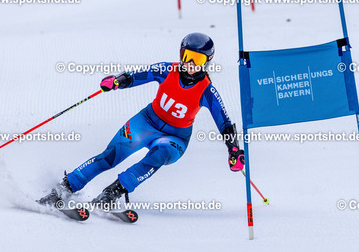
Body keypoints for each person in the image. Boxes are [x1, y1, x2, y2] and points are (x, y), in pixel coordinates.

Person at [39, 33, 244, 208]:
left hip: (175, 138)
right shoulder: (167, 70)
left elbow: (224, 122)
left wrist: (233, 149)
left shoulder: (207, 91)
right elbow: (140, 75)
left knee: (160, 154)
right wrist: (118, 81)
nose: (190, 64)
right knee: (111, 156)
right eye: (187, 56)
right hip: (146, 122)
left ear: (207, 62)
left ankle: (112, 193)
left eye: (197, 60)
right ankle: (65, 187)